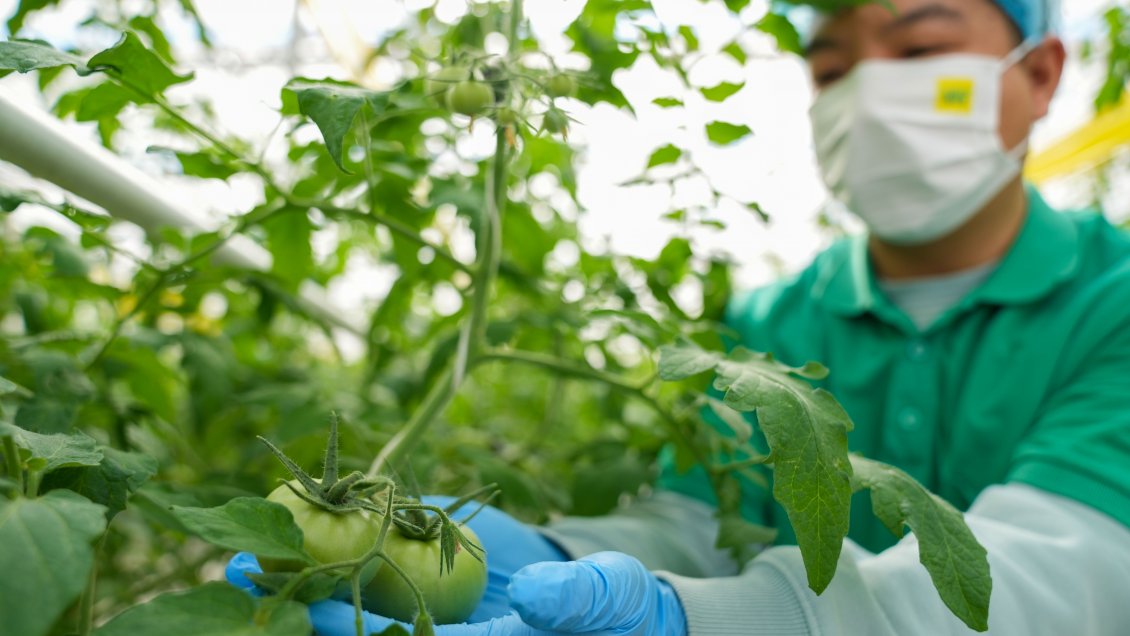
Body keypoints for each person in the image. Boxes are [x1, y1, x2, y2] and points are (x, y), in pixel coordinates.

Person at [229, 0, 1130, 633]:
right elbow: (703, 522)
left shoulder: (1116, 302)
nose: (868, 93)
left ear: (1042, 71)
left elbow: (1071, 572)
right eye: (831, 68)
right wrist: (551, 552)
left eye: (921, 50)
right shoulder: (770, 327)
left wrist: (713, 622)